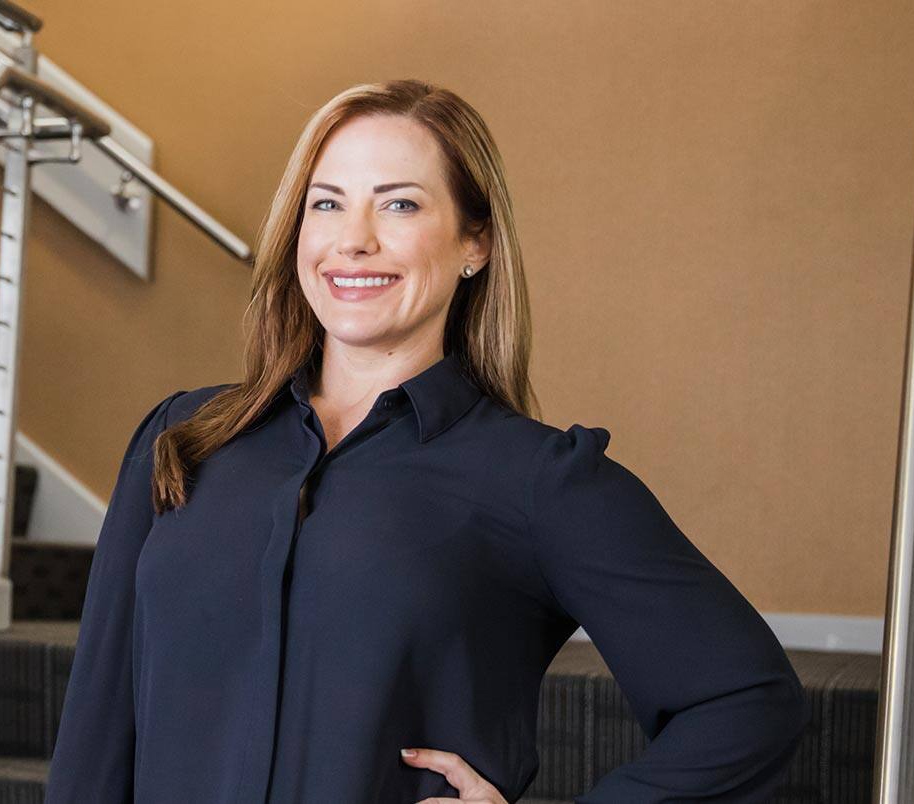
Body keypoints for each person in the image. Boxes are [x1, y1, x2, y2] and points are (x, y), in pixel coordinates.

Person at [43, 78, 808, 803]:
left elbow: (747, 703)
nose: (354, 241)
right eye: (327, 204)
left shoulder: (538, 481)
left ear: (475, 243)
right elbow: (95, 738)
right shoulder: (184, 436)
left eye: (400, 204)